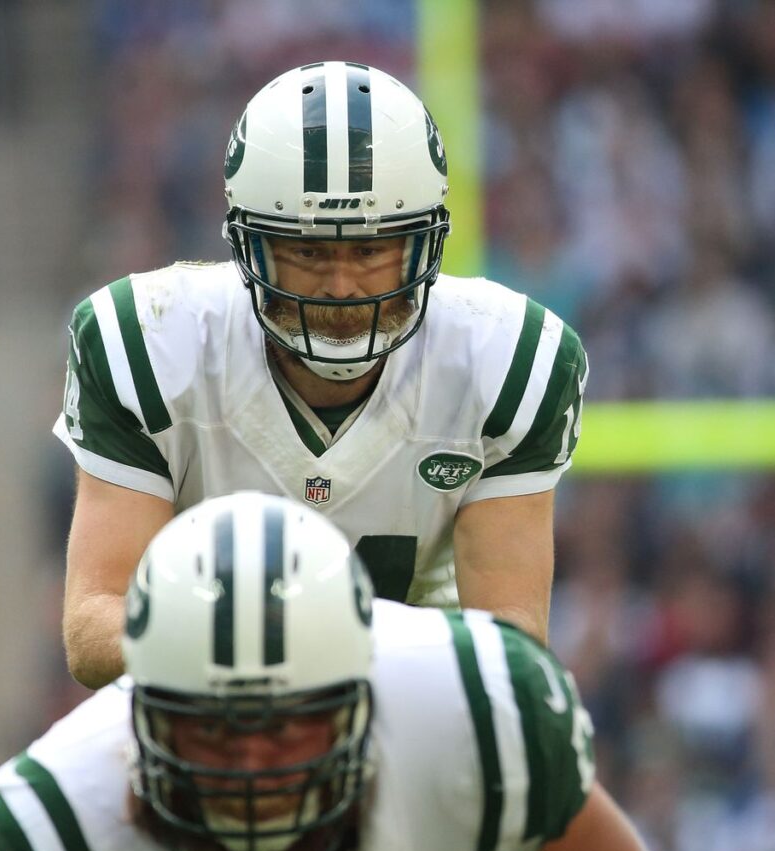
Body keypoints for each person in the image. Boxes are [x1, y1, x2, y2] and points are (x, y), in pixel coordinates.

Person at [0, 492, 673, 851]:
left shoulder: (481, 714)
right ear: (142, 712)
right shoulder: (56, 825)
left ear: (363, 694)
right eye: (212, 724)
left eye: (290, 719)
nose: (252, 759)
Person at [55, 60, 588, 689]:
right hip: (201, 725)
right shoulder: (149, 342)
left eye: (369, 250)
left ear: (424, 244)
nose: (340, 286)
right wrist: (264, 649)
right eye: (307, 250)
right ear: (250, 245)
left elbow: (510, 658)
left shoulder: (504, 362)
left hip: (414, 715)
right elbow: (92, 630)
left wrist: (305, 643)